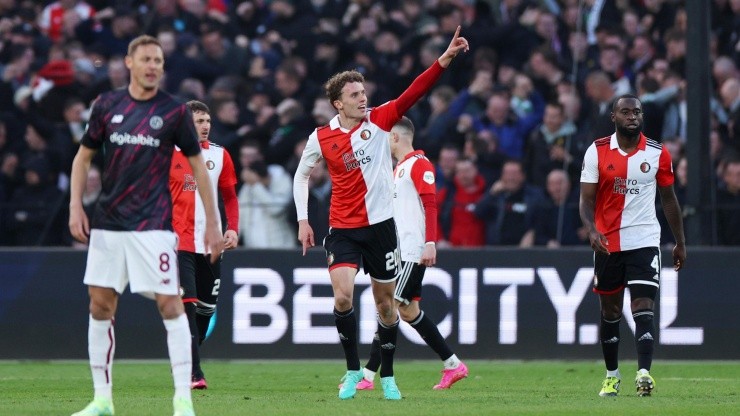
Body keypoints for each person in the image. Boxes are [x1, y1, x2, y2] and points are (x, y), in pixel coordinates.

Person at [293, 26, 469, 401]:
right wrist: (303, 219)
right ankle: (354, 370)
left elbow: (415, 92)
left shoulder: (380, 120)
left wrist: (444, 59)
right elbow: (301, 176)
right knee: (342, 298)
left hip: (380, 229)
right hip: (342, 228)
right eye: (354, 95)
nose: (363, 98)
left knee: (387, 305)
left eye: (363, 92)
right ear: (337, 103)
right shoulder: (320, 138)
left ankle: (387, 375)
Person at [68, 35, 223, 416]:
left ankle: (182, 399)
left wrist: (213, 222)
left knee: (171, 305)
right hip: (108, 224)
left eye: (158, 60)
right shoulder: (107, 105)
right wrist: (76, 206)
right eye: (146, 59)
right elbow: (82, 158)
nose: (153, 65)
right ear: (130, 63)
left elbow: (199, 167)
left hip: (153, 225)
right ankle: (102, 399)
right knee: (100, 306)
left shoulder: (173, 111)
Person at [349, 116, 468, 391]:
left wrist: (430, 242)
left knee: (390, 306)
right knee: (408, 310)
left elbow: (431, 205)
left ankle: (367, 375)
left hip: (414, 249)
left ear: (395, 137)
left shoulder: (419, 164)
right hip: (398, 249)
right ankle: (453, 364)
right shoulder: (399, 169)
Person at [579, 94, 686, 398]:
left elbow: (668, 199)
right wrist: (592, 229)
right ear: (613, 117)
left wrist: (679, 242)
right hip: (608, 242)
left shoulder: (657, 153)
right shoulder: (596, 151)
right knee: (610, 310)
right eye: (625, 112)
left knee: (642, 305)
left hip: (644, 239)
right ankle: (612, 376)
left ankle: (644, 373)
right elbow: (585, 201)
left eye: (636, 112)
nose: (632, 117)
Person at [169, 100, 239, 390]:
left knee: (206, 311)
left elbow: (230, 197)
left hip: (211, 245)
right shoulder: (166, 155)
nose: (206, 125)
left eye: (207, 120)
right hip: (178, 241)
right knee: (188, 305)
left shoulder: (220, 156)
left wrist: (232, 228)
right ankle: (194, 372)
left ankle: (184, 355)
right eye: (199, 121)